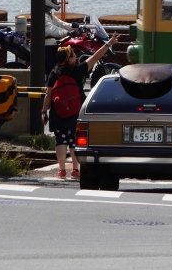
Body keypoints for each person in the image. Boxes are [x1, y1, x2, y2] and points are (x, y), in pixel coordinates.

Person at [42, 36, 118, 180]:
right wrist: (109, 43)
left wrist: (43, 111)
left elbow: (48, 94)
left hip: (58, 111)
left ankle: (62, 170)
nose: (76, 57)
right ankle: (75, 170)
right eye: (74, 55)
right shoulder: (78, 70)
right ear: (69, 59)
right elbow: (96, 57)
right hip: (76, 110)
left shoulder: (54, 73)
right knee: (73, 140)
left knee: (60, 139)